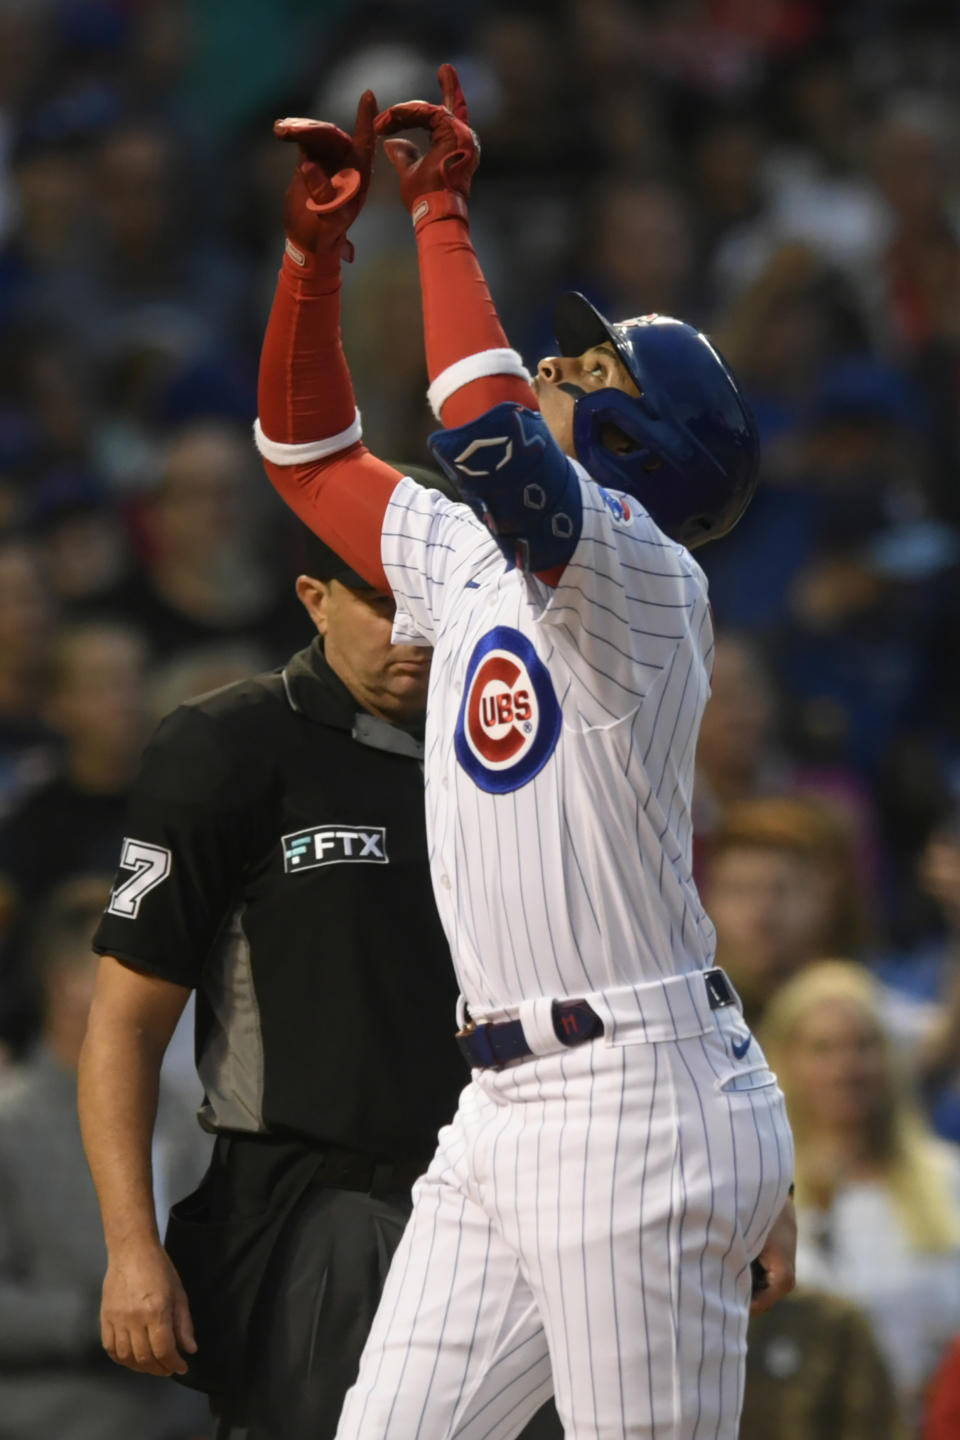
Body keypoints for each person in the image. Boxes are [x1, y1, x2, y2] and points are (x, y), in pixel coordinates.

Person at [253, 66, 796, 1439]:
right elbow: (308, 456)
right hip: (504, 1107)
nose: (559, 360)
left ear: (632, 435)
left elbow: (484, 430)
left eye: (594, 363)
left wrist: (438, 217)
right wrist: (313, 259)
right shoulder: (478, 551)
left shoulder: (644, 576)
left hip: (637, 1107)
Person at [78, 518, 562, 1440]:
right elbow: (125, 1024)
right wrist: (130, 1246)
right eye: (382, 604)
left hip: (519, 1199)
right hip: (322, 1213)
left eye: (432, 604)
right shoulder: (227, 747)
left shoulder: (521, 745)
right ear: (315, 598)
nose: (411, 631)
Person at [0, 874, 208, 1440]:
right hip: (59, 1415)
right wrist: (105, 1318)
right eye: (136, 974)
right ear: (70, 984)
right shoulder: (9, 1126)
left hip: (191, 1413)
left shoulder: (193, 1118)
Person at [759, 960, 960, 1425]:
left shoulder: (948, 1178)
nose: (845, 1068)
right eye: (822, 1049)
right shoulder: (760, 1195)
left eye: (863, 1046)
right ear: (786, 1060)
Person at [701, 793, 868, 1027]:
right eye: (738, 891)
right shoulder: (688, 1011)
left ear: (826, 895)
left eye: (780, 891)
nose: (759, 916)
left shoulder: (869, 1013)